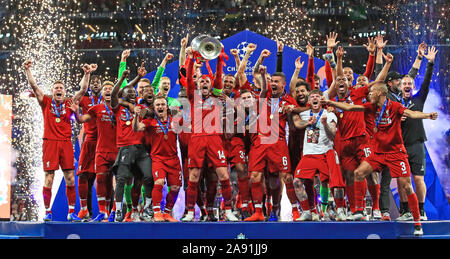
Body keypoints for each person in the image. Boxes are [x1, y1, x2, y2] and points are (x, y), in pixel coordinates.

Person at [322, 82, 438, 236]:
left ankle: (417, 222)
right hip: (378, 153)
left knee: (407, 186)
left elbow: (411, 114)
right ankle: (359, 210)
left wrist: (427, 115)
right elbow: (349, 107)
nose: (369, 94)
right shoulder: (370, 107)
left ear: (380, 93)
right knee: (358, 173)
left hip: (396, 153)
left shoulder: (395, 106)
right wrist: (330, 102)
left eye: (372, 92)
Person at [23, 60, 93, 222]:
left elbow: (82, 90)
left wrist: (87, 74)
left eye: (61, 88)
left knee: (70, 177)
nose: (59, 90)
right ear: (52, 92)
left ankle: (71, 212)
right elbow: (34, 87)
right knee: (49, 177)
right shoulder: (46, 102)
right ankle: (48, 211)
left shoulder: (69, 103)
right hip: (50, 142)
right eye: (56, 88)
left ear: (64, 91)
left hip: (65, 142)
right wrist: (28, 70)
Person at [181, 45, 239, 222]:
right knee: (194, 177)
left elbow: (219, 75)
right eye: (201, 81)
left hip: (215, 139)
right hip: (196, 139)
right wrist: (190, 57)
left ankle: (228, 210)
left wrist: (220, 57)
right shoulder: (192, 96)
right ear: (197, 85)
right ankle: (191, 212)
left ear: (212, 85)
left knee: (223, 175)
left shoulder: (216, 97)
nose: (204, 82)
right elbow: (189, 78)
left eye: (207, 81)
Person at [291, 89, 347, 221]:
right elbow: (297, 122)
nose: (315, 98)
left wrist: (324, 124)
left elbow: (332, 134)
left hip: (326, 152)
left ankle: (340, 210)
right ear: (309, 101)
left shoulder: (330, 114)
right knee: (297, 182)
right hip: (309, 154)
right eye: (312, 97)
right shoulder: (304, 114)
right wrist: (307, 123)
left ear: (321, 100)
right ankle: (306, 211)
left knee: (337, 184)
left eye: (318, 96)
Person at [396, 45, 437, 221]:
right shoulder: (394, 103)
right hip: (399, 146)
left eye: (409, 83)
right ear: (399, 87)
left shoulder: (418, 98)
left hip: (417, 144)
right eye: (404, 83)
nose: (406, 85)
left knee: (418, 179)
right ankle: (405, 211)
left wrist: (430, 63)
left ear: (413, 86)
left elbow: (426, 81)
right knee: (401, 181)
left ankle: (420, 210)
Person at [110, 63, 155, 222]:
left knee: (148, 177)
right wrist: (122, 78)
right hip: (125, 148)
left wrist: (138, 109)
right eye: (128, 93)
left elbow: (150, 113)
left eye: (133, 93)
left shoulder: (141, 107)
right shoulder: (118, 108)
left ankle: (148, 208)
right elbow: (115, 94)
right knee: (121, 179)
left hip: (142, 149)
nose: (132, 94)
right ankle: (118, 211)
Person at [70, 80, 119, 222]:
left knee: (110, 179)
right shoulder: (93, 106)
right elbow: (81, 119)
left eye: (111, 88)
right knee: (85, 175)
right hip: (92, 143)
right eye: (106, 88)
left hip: (111, 146)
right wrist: (76, 112)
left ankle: (111, 212)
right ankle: (85, 210)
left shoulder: (120, 107)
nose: (108, 90)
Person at [133, 95, 181, 222]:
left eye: (162, 104)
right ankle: (156, 212)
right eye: (158, 105)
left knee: (176, 188)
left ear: (167, 107)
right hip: (158, 159)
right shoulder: (150, 122)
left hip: (173, 159)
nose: (160, 107)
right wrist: (136, 116)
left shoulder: (175, 120)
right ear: (154, 108)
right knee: (159, 182)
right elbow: (136, 128)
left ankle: (167, 213)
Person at [77, 73, 102, 221]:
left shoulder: (107, 101)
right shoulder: (85, 99)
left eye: (97, 82)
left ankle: (107, 214)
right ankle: (87, 212)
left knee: (103, 178)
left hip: (104, 142)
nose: (95, 85)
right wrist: (87, 76)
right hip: (89, 140)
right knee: (85, 176)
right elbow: (79, 92)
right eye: (92, 83)